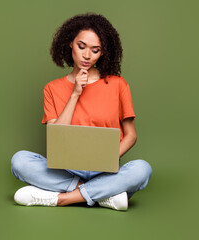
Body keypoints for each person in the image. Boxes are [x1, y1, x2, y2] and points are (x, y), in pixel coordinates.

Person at [11, 13, 152, 211]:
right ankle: (103, 195)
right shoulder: (52, 88)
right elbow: (56, 137)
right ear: (70, 43)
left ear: (103, 53)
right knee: (19, 161)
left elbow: (131, 135)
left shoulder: (118, 84)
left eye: (95, 50)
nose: (87, 56)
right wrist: (75, 94)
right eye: (81, 46)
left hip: (106, 170)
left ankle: (62, 198)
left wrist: (107, 160)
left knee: (142, 169)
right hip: (66, 170)